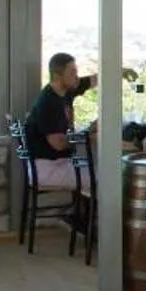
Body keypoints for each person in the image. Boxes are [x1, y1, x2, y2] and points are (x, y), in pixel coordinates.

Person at [24, 53, 91, 190]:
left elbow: (89, 81)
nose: (76, 76)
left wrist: (120, 72)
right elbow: (58, 144)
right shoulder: (48, 102)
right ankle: (100, 211)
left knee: (98, 168)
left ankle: (88, 211)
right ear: (57, 75)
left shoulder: (64, 92)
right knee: (106, 176)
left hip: (56, 163)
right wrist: (88, 133)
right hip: (48, 168)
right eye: (72, 72)